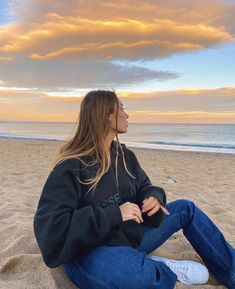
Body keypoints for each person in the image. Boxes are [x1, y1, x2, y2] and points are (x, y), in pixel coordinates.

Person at [33, 90, 235, 289]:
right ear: (106, 115)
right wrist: (114, 214)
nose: (127, 114)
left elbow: (146, 187)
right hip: (92, 251)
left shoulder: (125, 156)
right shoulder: (71, 167)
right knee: (134, 276)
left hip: (129, 238)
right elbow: (52, 230)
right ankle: (161, 268)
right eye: (121, 108)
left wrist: (153, 197)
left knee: (186, 209)